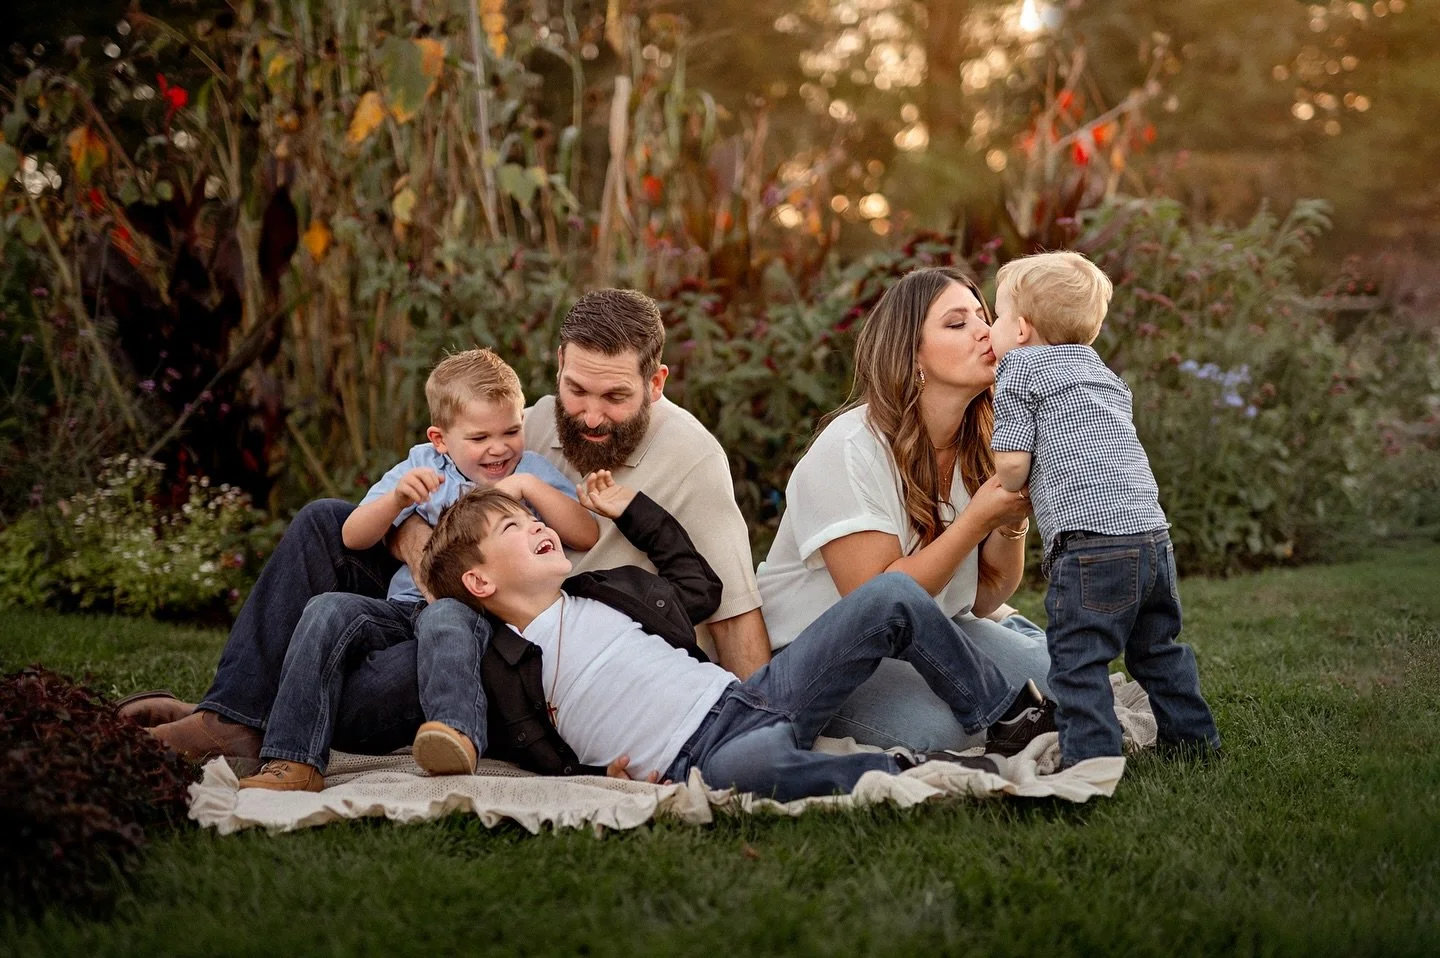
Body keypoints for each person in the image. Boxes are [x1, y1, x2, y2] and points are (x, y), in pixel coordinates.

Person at [130, 289, 770, 763]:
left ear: (655, 383)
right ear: (558, 367)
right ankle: (230, 715)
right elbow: (434, 489)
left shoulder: (693, 459)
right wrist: (419, 550)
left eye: (615, 398)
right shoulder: (532, 421)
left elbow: (734, 612)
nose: (590, 415)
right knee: (327, 521)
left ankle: (258, 722)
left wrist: (749, 730)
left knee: (404, 658)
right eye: (577, 389)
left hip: (519, 642)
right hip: (453, 580)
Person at [412, 481, 1057, 801]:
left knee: (890, 596)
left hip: (752, 697)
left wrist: (631, 508)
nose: (536, 526)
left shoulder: (607, 590)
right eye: (512, 527)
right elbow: (532, 746)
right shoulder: (508, 664)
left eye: (531, 518)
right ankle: (905, 773)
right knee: (755, 773)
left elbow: (700, 583)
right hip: (700, 760)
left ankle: (1005, 713)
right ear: (479, 578)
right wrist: (590, 775)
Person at [232, 348, 596, 791]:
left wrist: (528, 486)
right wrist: (396, 502)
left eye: (512, 431)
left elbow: (585, 533)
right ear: (441, 439)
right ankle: (295, 760)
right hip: (403, 606)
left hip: (471, 611)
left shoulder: (529, 471)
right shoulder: (422, 466)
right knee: (326, 609)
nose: (500, 448)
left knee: (446, 616)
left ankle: (456, 735)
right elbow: (351, 537)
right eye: (480, 438)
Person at [755, 266, 1054, 754]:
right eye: (957, 324)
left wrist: (1011, 518)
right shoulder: (850, 449)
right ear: (912, 353)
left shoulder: (985, 441)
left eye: (984, 316)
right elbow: (879, 603)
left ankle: (1012, 653)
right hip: (833, 652)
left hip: (942, 634)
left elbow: (983, 596)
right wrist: (977, 518)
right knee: (944, 734)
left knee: (1064, 681)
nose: (985, 331)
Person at [988, 251, 1220, 768]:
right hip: (1151, 539)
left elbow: (1011, 471)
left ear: (1022, 329)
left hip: (1091, 546)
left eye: (997, 316)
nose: (992, 330)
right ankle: (1196, 744)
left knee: (1077, 662)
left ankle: (1091, 763)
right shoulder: (1102, 373)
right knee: (1158, 650)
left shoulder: (1019, 370)